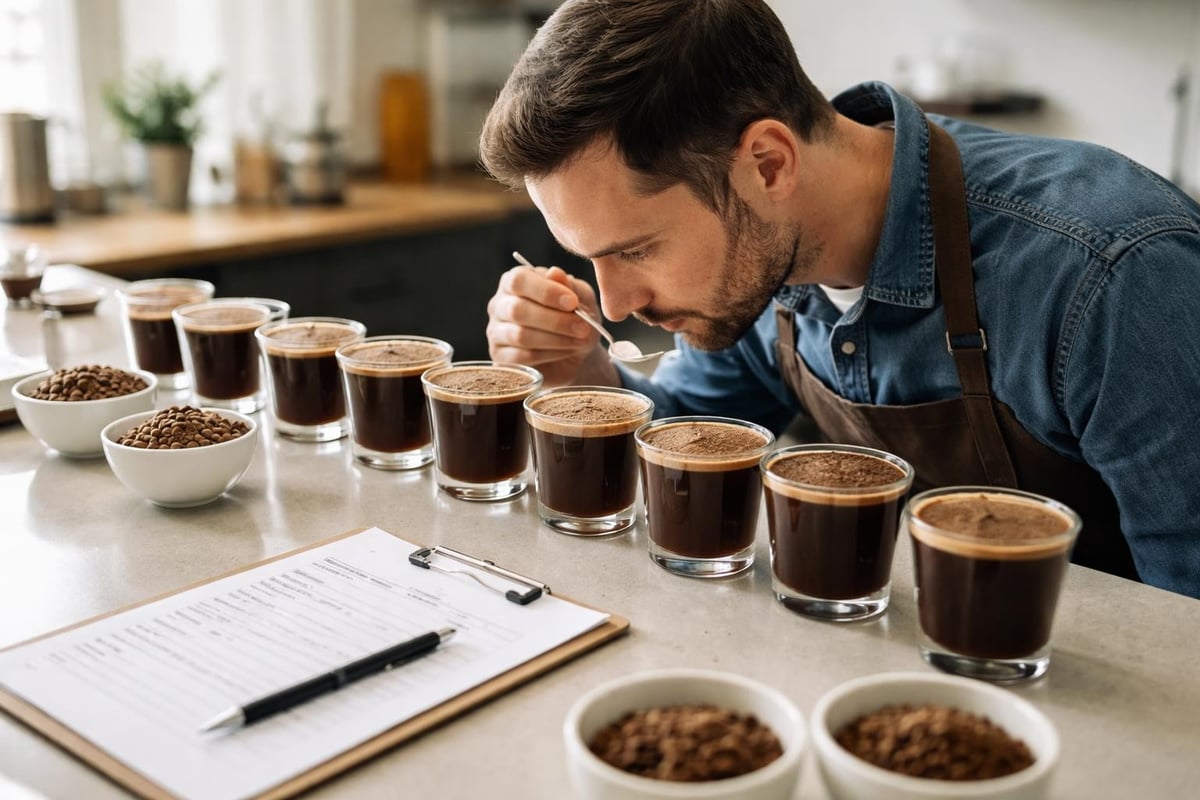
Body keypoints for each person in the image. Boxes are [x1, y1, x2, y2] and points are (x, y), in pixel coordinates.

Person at [479, 0, 1200, 599]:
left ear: (768, 163)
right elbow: (690, 440)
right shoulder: (766, 256)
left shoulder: (1110, 274)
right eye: (592, 260)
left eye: (635, 249)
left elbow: (1185, 620)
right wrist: (586, 379)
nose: (612, 305)